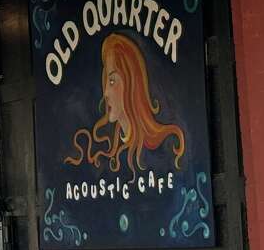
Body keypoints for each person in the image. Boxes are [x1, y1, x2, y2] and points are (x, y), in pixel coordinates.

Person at [63, 32, 186, 174]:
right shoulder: (106, 154)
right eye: (106, 83)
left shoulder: (163, 151)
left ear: (132, 84)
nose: (106, 93)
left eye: (112, 81)